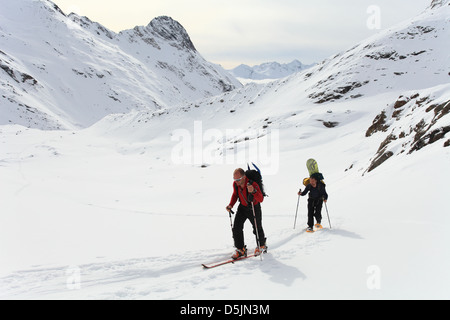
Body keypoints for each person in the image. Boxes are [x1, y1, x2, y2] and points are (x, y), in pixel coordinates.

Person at [226, 168, 267, 259]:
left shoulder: (252, 184)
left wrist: (253, 191)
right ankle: (241, 249)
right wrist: (230, 205)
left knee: (257, 227)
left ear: (244, 177)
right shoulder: (236, 185)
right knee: (236, 227)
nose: (236, 182)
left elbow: (261, 199)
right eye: (235, 179)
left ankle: (262, 245)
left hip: (254, 207)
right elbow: (235, 195)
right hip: (242, 207)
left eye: (238, 179)